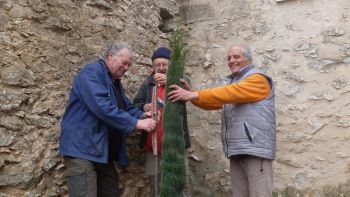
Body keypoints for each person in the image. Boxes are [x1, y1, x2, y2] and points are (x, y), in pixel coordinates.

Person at [168, 44, 276, 197]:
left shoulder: (257, 79)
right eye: (229, 58)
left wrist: (194, 95)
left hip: (255, 151)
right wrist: (192, 93)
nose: (231, 61)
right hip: (237, 150)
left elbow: (230, 93)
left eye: (236, 57)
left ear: (248, 59)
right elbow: (214, 102)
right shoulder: (235, 84)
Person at [59, 42, 156, 197]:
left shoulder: (114, 81)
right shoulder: (92, 73)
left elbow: (126, 107)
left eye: (129, 66)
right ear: (110, 56)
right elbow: (102, 107)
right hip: (82, 149)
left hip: (102, 153)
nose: (126, 68)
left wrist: (141, 115)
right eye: (124, 63)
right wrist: (136, 123)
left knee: (111, 192)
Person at [133, 47, 191, 197]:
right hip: (153, 145)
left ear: (170, 65)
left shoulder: (180, 79)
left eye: (164, 64)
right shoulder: (148, 83)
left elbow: (188, 90)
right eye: (157, 65)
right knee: (155, 186)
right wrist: (144, 106)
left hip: (175, 145)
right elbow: (136, 103)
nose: (160, 68)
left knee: (177, 184)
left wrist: (170, 79)